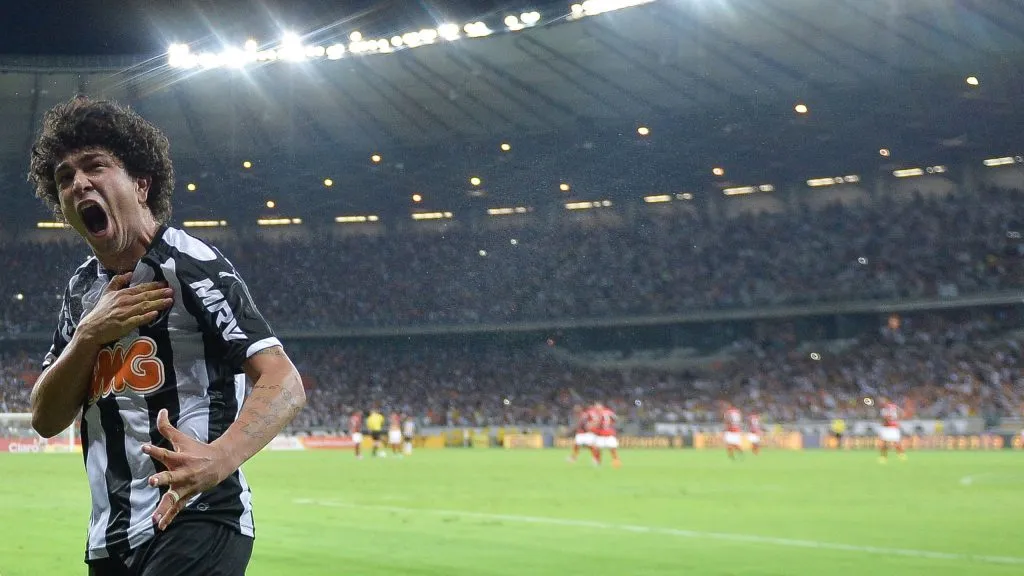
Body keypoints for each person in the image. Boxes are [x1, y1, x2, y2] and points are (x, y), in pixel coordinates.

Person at [26, 97, 306, 576]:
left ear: (141, 184)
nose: (78, 183)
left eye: (95, 166)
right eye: (64, 177)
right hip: (109, 538)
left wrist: (219, 459)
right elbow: (45, 418)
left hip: (197, 516)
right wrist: (88, 335)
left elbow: (284, 380)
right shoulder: (81, 290)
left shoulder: (189, 265)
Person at [591, 402, 621, 468]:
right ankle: (616, 461)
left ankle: (597, 461)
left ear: (601, 407)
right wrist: (611, 424)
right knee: (612, 449)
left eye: (597, 408)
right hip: (608, 433)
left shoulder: (599, 414)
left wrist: (592, 426)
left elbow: (598, 423)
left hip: (602, 434)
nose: (596, 409)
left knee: (597, 448)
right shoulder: (609, 412)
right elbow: (616, 418)